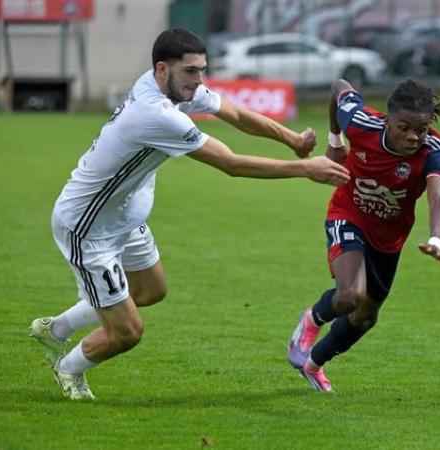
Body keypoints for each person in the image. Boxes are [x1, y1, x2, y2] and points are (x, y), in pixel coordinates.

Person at [28, 28, 350, 400]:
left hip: (124, 217)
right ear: (163, 70)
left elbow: (236, 113)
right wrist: (306, 169)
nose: (200, 81)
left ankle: (55, 330)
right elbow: (231, 164)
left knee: (150, 289)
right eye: (191, 72)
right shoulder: (155, 114)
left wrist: (291, 139)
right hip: (87, 226)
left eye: (202, 70)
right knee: (127, 331)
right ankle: (68, 368)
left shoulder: (171, 86)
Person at [287, 78, 440, 392]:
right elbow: (337, 87)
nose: (414, 136)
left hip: (389, 237)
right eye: (404, 127)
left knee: (365, 317)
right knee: (350, 296)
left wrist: (436, 238)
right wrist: (335, 140)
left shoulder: (436, 150)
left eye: (421, 129)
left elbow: (439, 196)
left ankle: (313, 365)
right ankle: (312, 319)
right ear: (387, 119)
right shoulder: (362, 121)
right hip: (348, 213)